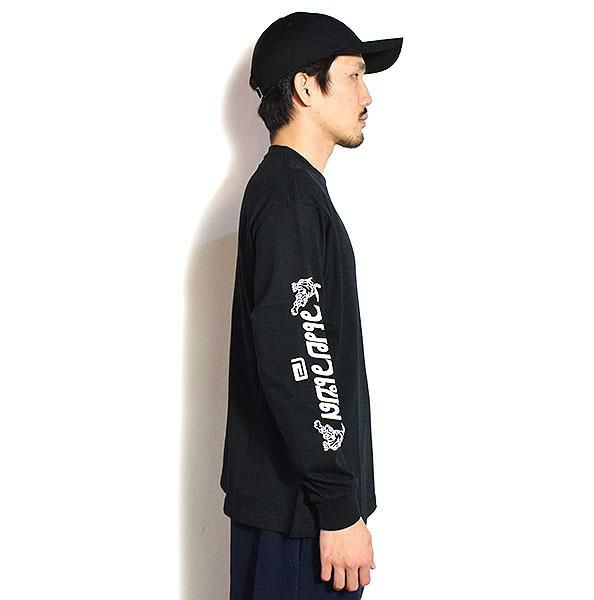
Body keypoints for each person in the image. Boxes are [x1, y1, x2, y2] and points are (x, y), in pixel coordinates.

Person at [219, 11, 403, 599]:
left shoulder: (292, 194)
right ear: (305, 86)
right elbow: (301, 361)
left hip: (298, 514)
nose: (367, 95)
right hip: (302, 522)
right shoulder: (289, 201)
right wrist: (339, 508)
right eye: (354, 75)